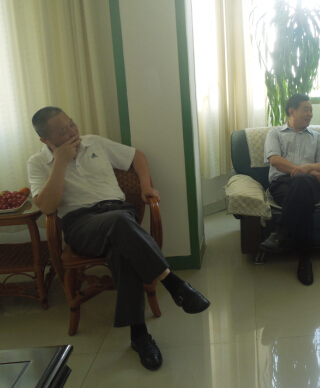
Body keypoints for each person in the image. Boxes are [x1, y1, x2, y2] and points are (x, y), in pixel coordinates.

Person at [27, 107, 210, 371]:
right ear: (45, 139)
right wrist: (60, 162)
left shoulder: (94, 143)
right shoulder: (37, 162)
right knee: (121, 225)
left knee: (122, 243)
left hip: (119, 213)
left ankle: (140, 336)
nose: (73, 132)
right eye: (63, 131)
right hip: (82, 224)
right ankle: (173, 283)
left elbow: (137, 156)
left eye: (72, 124)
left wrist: (145, 185)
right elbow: (46, 206)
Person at [259, 94, 320, 286]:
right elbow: (275, 160)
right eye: (306, 109)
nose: (310, 114)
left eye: (311, 110)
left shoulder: (317, 137)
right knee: (303, 199)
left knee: (302, 183)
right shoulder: (275, 134)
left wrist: (307, 170)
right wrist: (304, 170)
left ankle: (280, 232)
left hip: (312, 184)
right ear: (292, 111)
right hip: (282, 184)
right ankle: (305, 260)